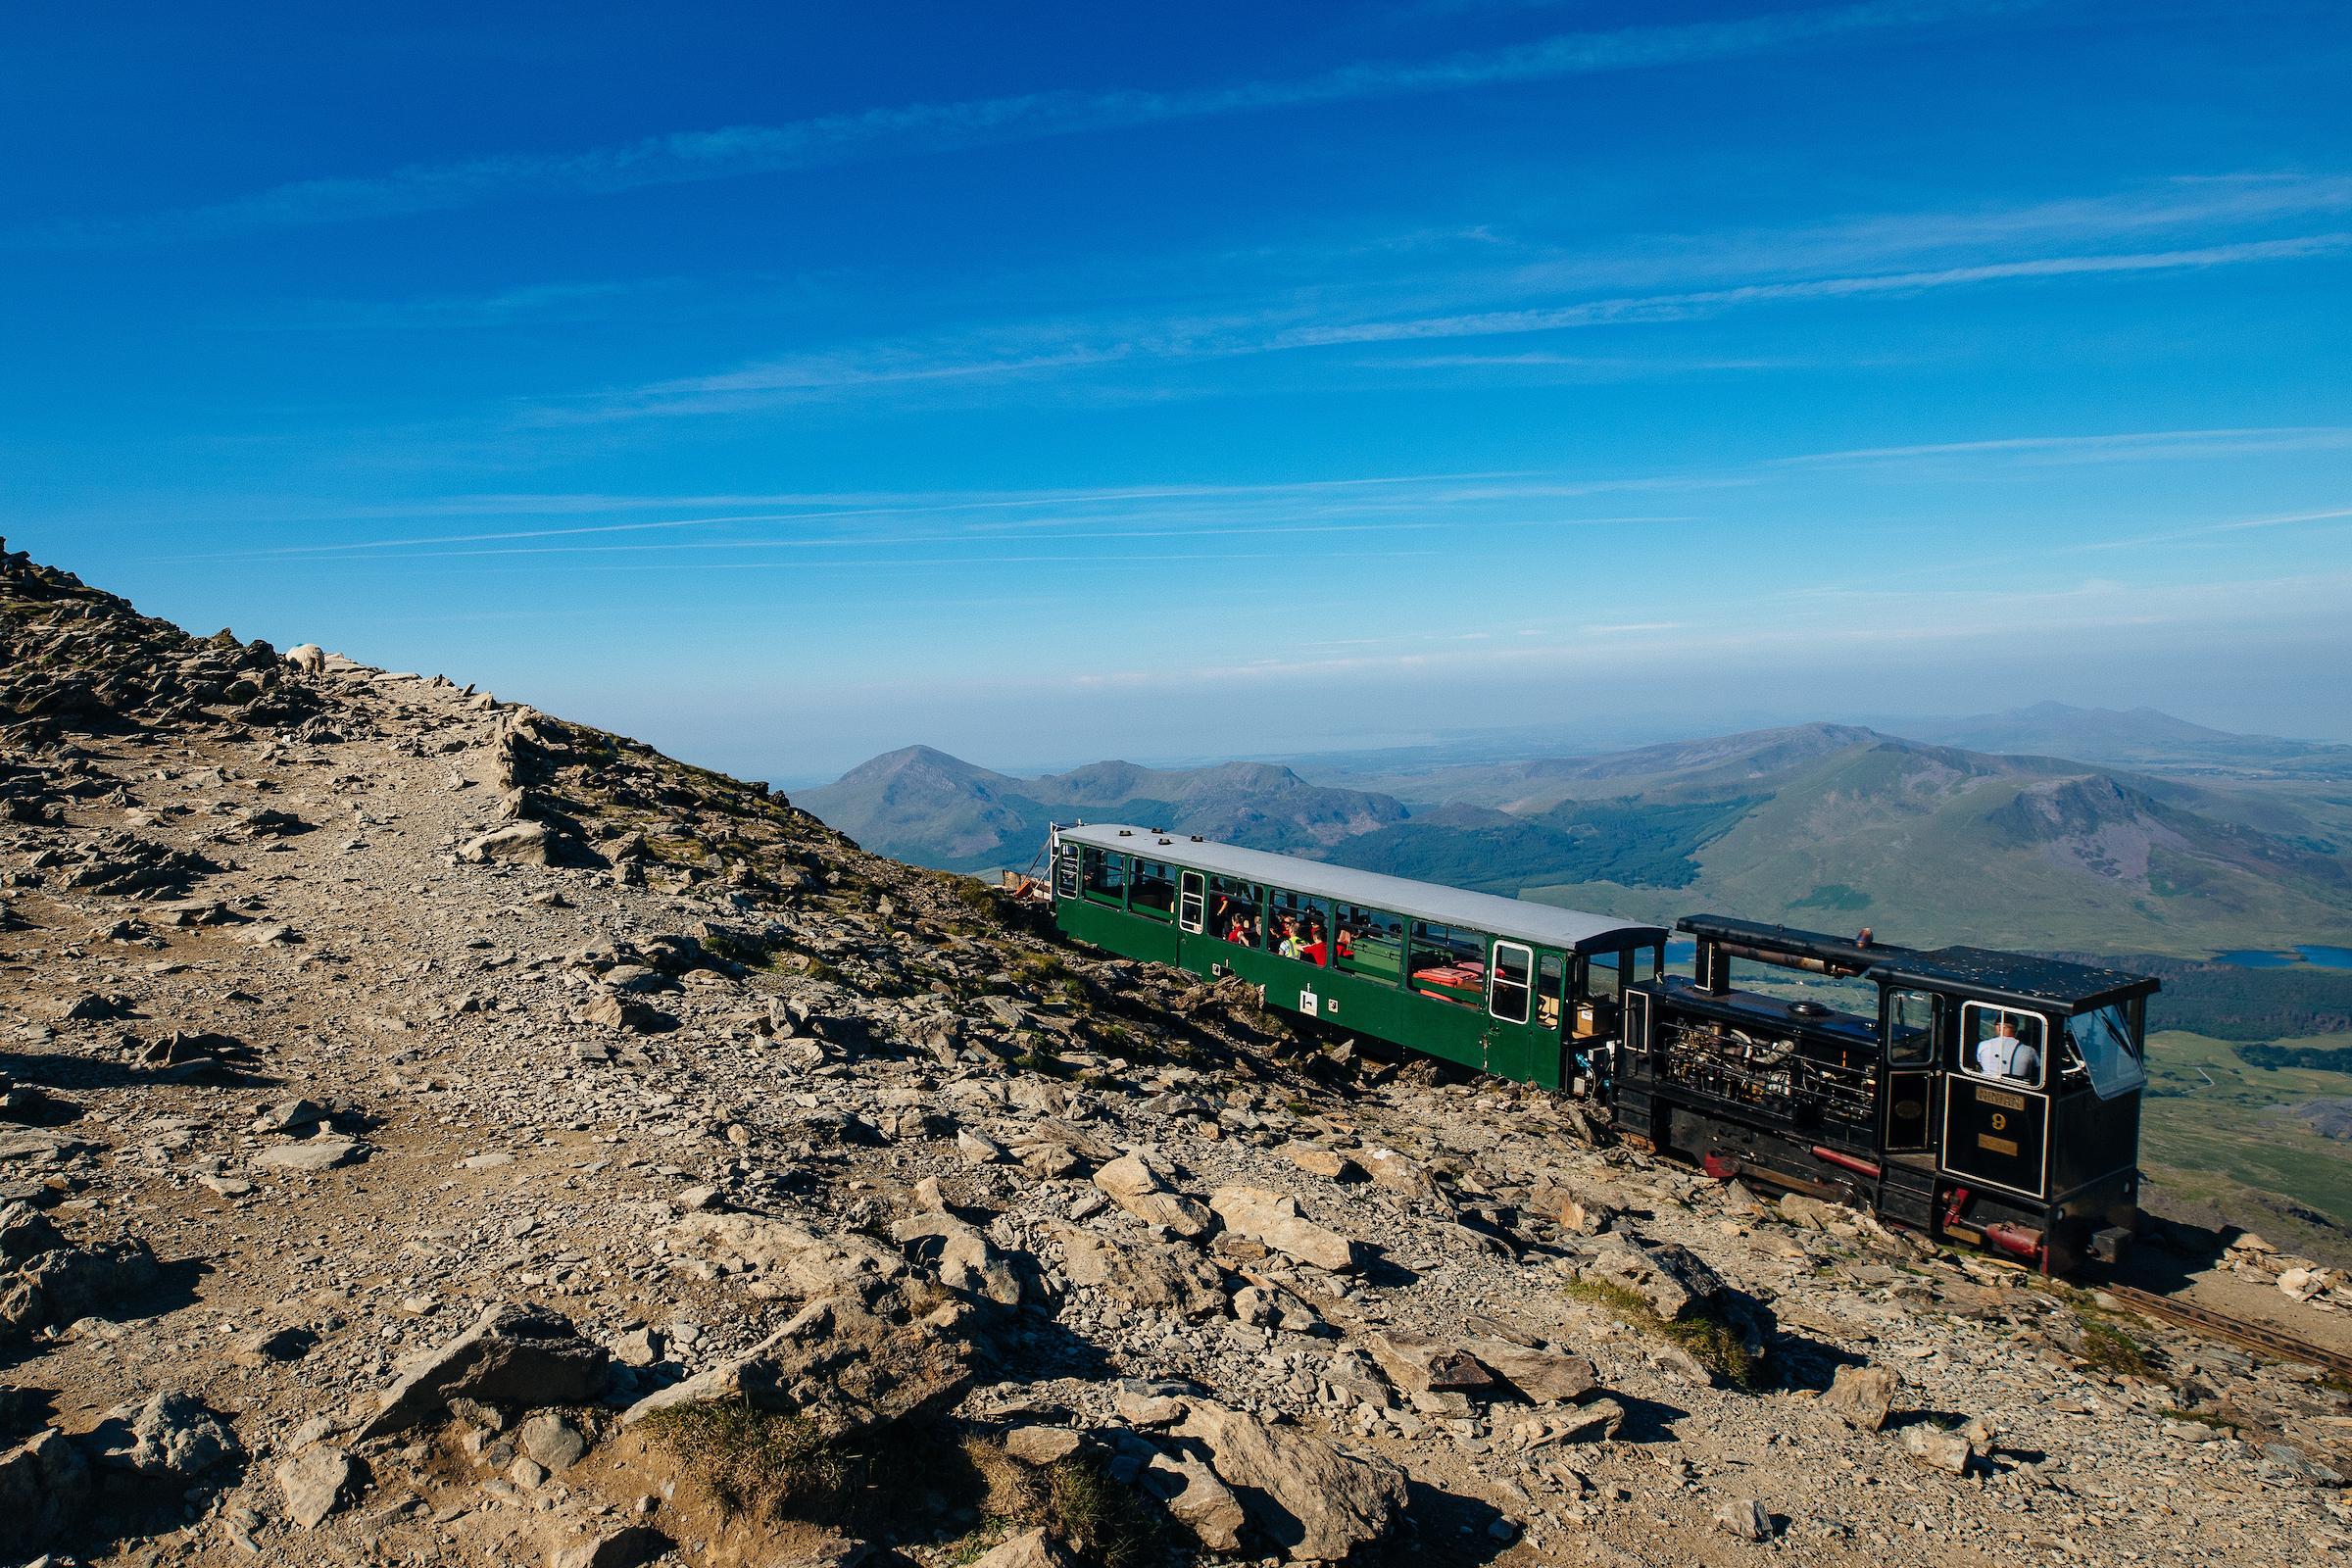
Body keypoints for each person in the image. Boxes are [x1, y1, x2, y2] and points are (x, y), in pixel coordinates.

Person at [1975, 1014, 2041, 1082]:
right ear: (2015, 1029)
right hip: (2017, 1086)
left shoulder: (1983, 1045)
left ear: (1999, 1027)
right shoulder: (2030, 1051)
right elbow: (2037, 1070)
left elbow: (1979, 1062)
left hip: (1987, 1083)